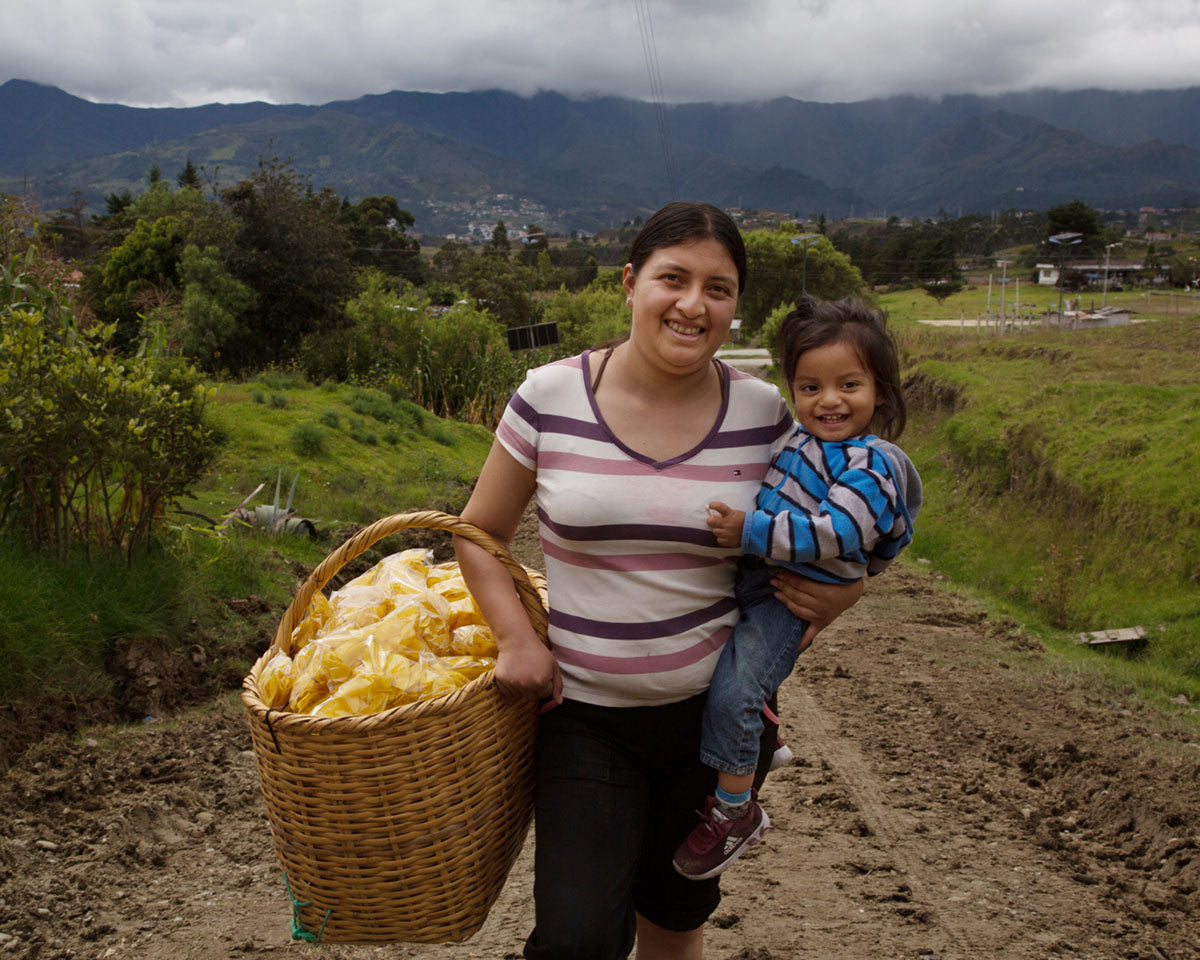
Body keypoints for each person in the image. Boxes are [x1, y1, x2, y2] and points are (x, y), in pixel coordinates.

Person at [454, 202, 864, 960]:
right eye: (672, 279)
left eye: (719, 287)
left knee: (673, 919)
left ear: (735, 304)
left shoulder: (765, 414)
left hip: (715, 726)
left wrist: (845, 591)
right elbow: (478, 535)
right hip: (584, 719)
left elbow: (827, 529)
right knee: (576, 939)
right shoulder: (549, 396)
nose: (692, 304)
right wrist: (515, 641)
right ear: (630, 282)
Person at [671, 294, 923, 882]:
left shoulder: (871, 462)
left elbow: (837, 532)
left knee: (735, 689)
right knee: (737, 664)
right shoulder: (804, 442)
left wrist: (748, 529)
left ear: (880, 390)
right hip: (766, 581)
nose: (828, 400)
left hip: (791, 591)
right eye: (810, 388)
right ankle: (767, 736)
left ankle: (736, 810)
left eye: (849, 385)